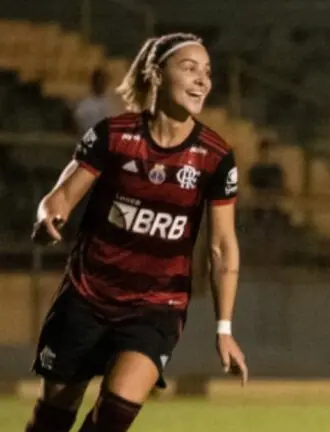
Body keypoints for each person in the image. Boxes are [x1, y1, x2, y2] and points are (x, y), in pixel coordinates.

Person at [25, 33, 248, 432]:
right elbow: (58, 199)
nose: (202, 80)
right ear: (155, 74)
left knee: (114, 417)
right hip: (87, 295)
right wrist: (48, 218)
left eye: (207, 72)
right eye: (189, 68)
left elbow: (222, 247)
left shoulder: (216, 157)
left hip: (155, 307)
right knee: (52, 419)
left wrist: (224, 328)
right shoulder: (113, 135)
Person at [73, 68, 117, 134]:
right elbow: (78, 127)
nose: (102, 84)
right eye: (99, 81)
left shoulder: (112, 103)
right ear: (94, 83)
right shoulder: (84, 106)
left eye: (104, 81)